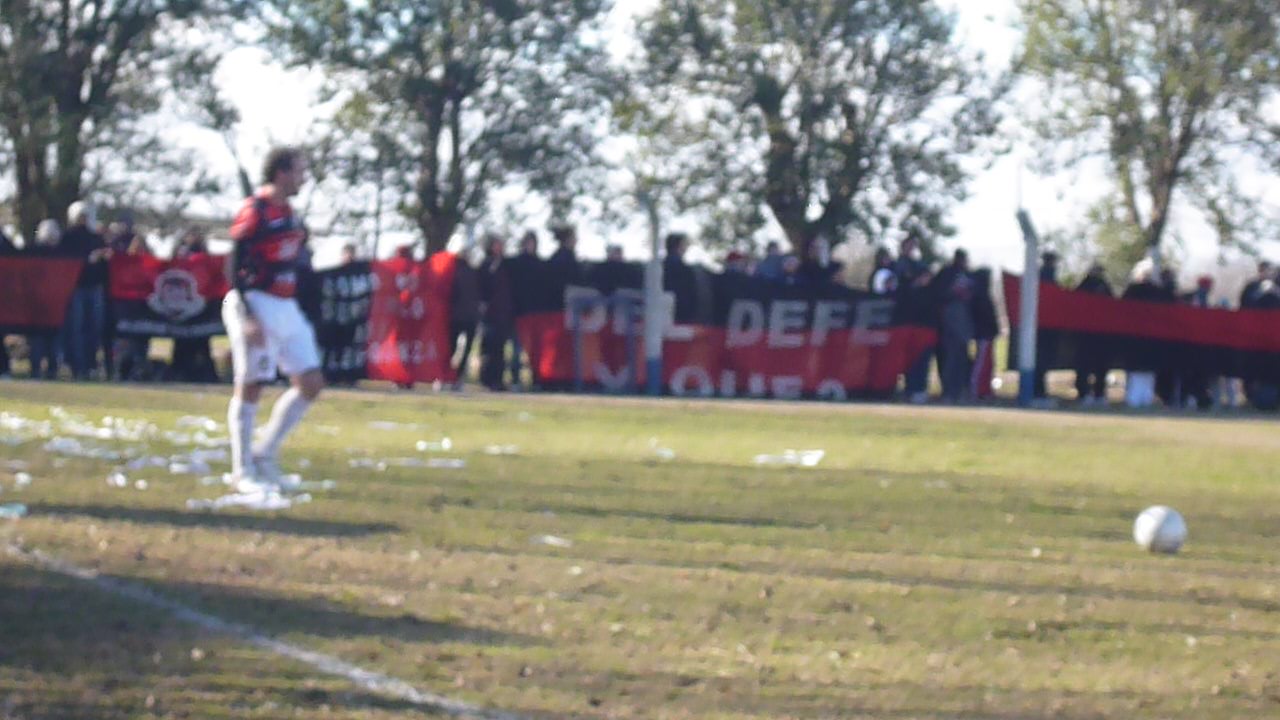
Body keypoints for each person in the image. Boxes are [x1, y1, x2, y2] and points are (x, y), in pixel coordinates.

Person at [222, 146, 324, 492]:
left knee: (311, 382)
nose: (303, 179)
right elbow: (234, 264)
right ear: (281, 173)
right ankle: (242, 470)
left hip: (285, 304)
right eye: (299, 171)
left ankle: (264, 454)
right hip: (255, 300)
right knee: (252, 384)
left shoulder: (290, 213)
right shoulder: (256, 210)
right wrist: (247, 316)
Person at [61, 201, 110, 379]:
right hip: (76, 288)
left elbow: (105, 263)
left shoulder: (96, 238)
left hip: (95, 287)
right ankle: (77, 366)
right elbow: (65, 260)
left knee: (94, 328)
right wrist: (87, 259)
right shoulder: (68, 238)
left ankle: (91, 365)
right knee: (77, 328)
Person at [170, 227, 218, 383]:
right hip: (182, 302)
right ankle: (179, 371)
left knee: (202, 341)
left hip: (201, 303)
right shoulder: (179, 251)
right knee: (181, 341)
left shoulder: (204, 254)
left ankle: (205, 372)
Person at [25, 219, 67, 379]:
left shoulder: (61, 253)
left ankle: (51, 369)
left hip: (53, 304)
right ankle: (36, 368)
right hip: (37, 302)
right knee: (37, 337)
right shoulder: (33, 251)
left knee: (52, 338)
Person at [933, 249, 976, 403]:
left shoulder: (968, 275)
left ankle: (961, 390)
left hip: (963, 323)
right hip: (949, 322)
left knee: (962, 358)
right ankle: (949, 392)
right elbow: (939, 294)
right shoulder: (947, 274)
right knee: (950, 358)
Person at [1073, 263, 1113, 405]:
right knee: (1084, 365)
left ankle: (1099, 393)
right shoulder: (1083, 286)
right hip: (1085, 333)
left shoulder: (1105, 287)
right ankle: (1083, 393)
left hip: (1101, 333)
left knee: (1101, 366)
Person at [478, 234, 513, 391]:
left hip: (503, 314)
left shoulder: (506, 264)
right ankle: (487, 378)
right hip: (489, 314)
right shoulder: (485, 264)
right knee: (489, 347)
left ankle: (498, 379)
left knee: (500, 348)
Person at [449, 244, 481, 388]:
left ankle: (458, 376)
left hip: (470, 315)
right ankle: (449, 376)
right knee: (452, 347)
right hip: (457, 316)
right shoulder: (453, 271)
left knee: (466, 350)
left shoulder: (474, 272)